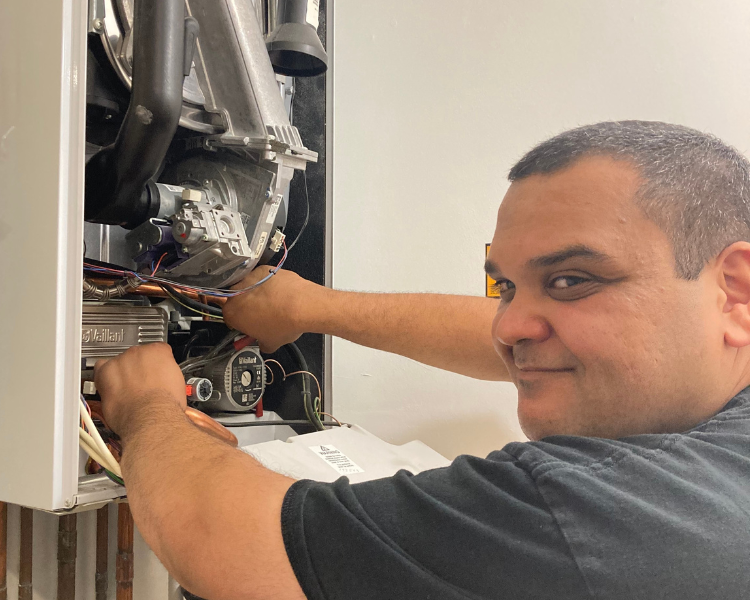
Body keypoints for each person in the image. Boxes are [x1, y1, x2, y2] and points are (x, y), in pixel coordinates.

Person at [94, 121, 750, 600]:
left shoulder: (608, 515)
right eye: (506, 286)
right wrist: (311, 307)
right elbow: (523, 336)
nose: (511, 327)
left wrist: (148, 408)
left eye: (571, 280)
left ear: (736, 292)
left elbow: (219, 539)